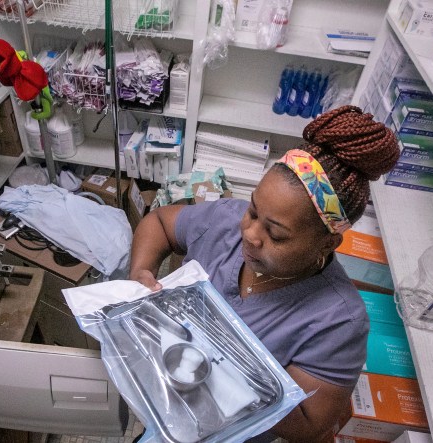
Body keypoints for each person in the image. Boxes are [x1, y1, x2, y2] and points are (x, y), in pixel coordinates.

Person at [129, 105, 400, 442]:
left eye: (277, 235)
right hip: (165, 395)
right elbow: (159, 223)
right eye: (254, 211)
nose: (250, 234)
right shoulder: (226, 222)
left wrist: (228, 364)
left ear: (327, 243)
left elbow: (308, 425)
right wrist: (141, 271)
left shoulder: (338, 321)